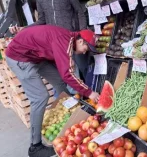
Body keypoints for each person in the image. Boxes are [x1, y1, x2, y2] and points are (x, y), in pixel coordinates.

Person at [5, 25, 99, 157]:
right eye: (86, 48)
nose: (84, 52)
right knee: (40, 97)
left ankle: (69, 111)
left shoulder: (68, 40)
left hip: (35, 56)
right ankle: (35, 146)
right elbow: (68, 74)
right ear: (81, 41)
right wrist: (90, 92)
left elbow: (63, 73)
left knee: (60, 81)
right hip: (20, 57)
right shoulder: (64, 42)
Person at [10, 0, 90, 85]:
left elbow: (79, 12)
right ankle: (74, 97)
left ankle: (91, 94)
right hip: (56, 45)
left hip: (74, 40)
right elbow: (41, 21)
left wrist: (82, 33)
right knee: (66, 74)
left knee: (83, 68)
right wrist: (24, 28)